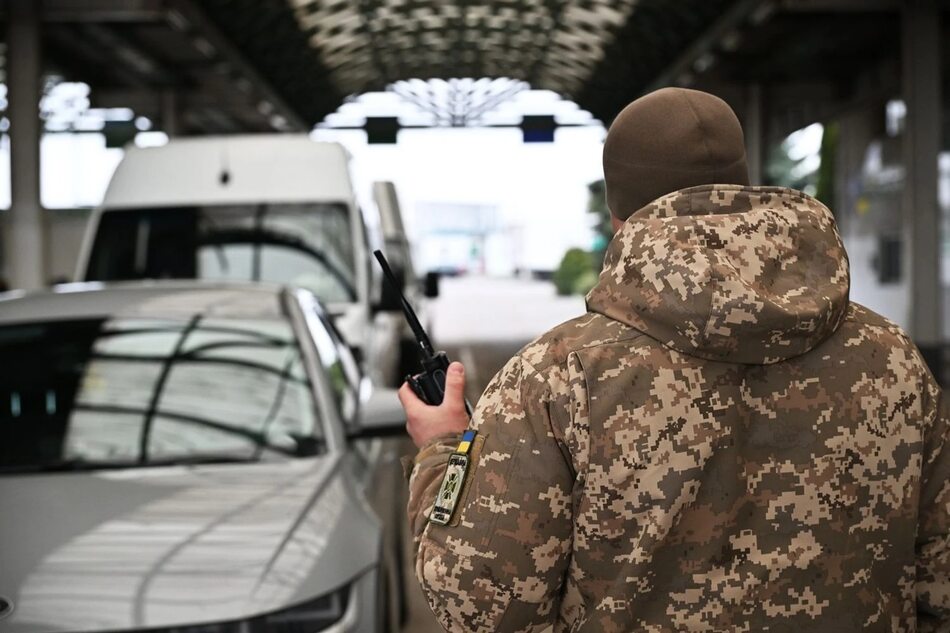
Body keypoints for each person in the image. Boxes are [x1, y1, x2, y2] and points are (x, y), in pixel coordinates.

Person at [398, 87, 950, 632]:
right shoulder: (892, 357)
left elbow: (481, 601)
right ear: (740, 187)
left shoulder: (557, 377)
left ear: (618, 213)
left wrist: (443, 449)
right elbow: (939, 577)